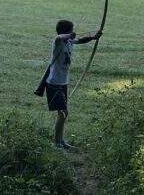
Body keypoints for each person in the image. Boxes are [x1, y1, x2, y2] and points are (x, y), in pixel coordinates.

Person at [34, 19, 101, 149]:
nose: (73, 31)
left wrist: (93, 37)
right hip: (54, 83)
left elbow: (80, 40)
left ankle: (60, 141)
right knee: (63, 112)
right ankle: (57, 144)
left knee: (63, 113)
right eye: (72, 29)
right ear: (68, 31)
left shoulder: (70, 41)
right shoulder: (58, 42)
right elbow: (59, 37)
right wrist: (69, 35)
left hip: (62, 83)